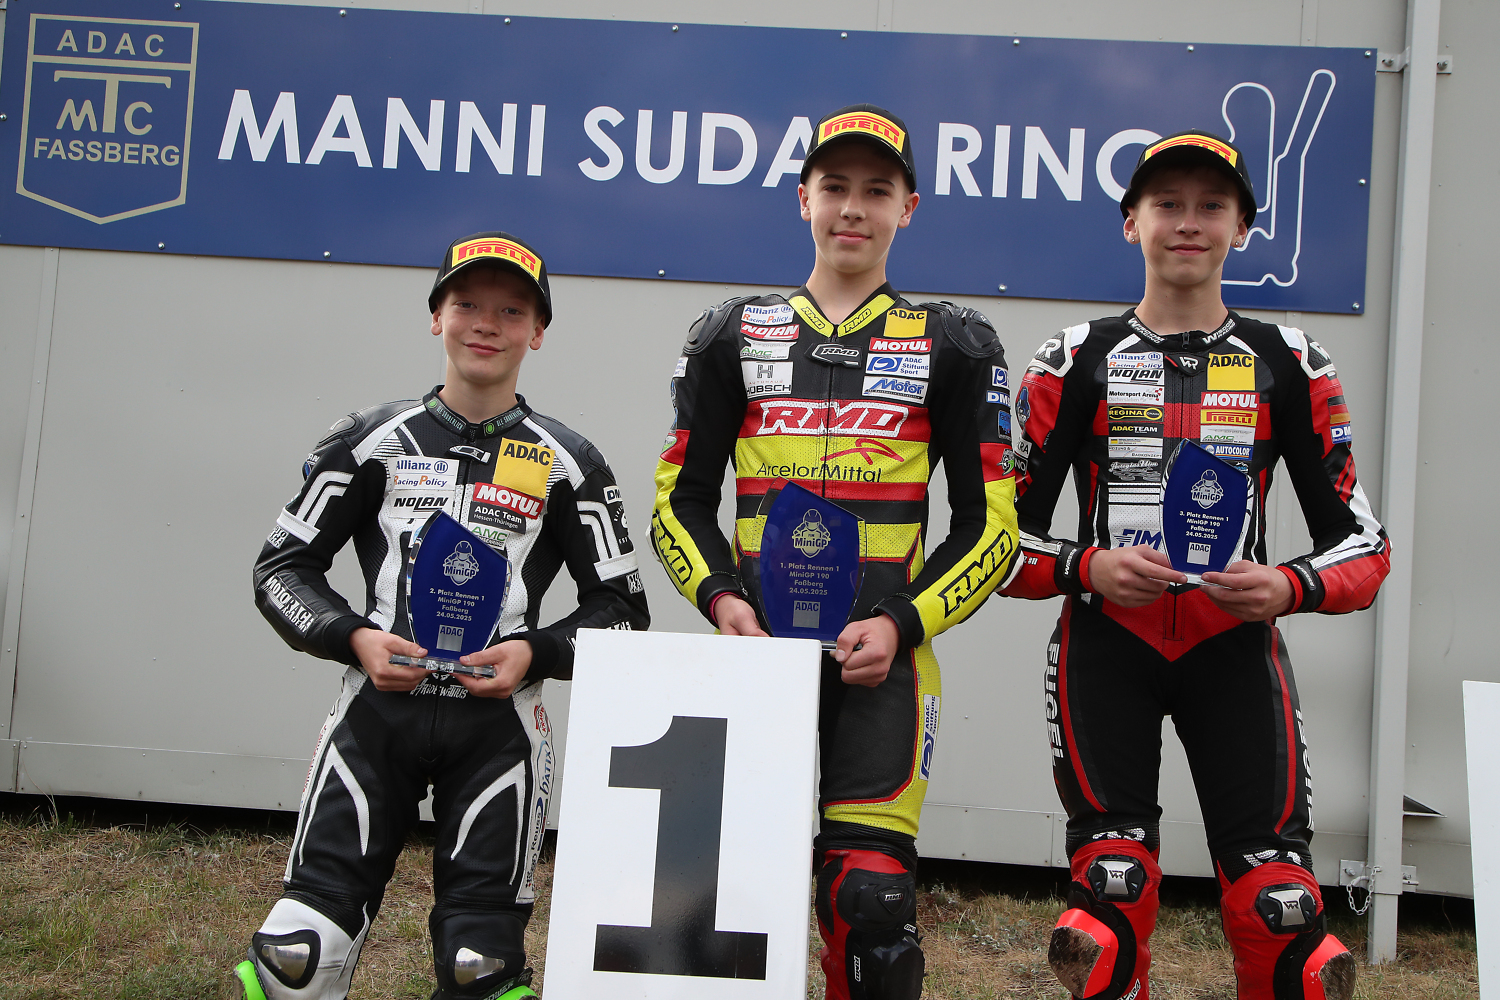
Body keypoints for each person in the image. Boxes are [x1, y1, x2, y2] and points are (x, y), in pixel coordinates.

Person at [1001, 132, 1390, 1000]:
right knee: (1108, 898)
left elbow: (1364, 545)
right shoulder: (1071, 358)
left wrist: (1288, 585)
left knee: (1284, 911)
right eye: (1167, 204)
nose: (1188, 222)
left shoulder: (1291, 360)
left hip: (1234, 651)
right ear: (1130, 222)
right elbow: (996, 544)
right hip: (1106, 649)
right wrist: (1086, 568)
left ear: (1242, 228)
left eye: (1212, 206)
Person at [650, 104, 1020, 1000]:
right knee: (724, 901)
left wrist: (900, 623)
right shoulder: (729, 333)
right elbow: (678, 502)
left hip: (883, 666)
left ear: (909, 208)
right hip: (755, 663)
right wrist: (723, 602)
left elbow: (992, 528)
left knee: (871, 900)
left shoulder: (956, 342)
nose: (853, 208)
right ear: (803, 199)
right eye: (835, 187)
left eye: (877, 191)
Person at [235, 231, 650, 1000]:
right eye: (467, 304)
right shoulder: (369, 440)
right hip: (374, 718)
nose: (487, 323)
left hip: (499, 733)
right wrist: (354, 638)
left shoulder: (571, 462)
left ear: (538, 332)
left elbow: (623, 609)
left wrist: (533, 653)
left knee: (478, 971)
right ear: (436, 317)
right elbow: (280, 570)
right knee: (297, 956)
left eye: (512, 310)